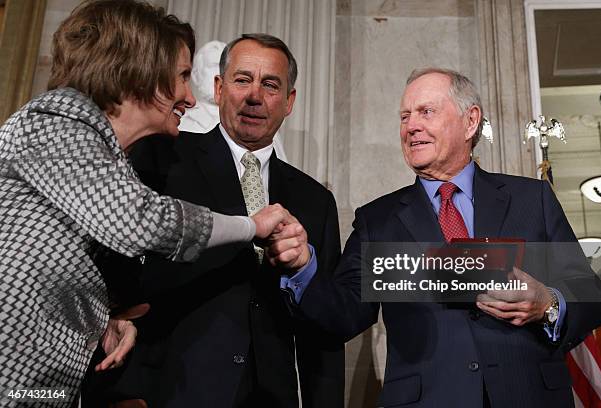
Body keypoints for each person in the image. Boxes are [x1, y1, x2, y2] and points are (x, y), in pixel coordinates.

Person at [0, 1, 288, 405]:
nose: (190, 97)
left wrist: (108, 318)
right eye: (183, 76)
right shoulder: (54, 122)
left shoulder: (106, 156)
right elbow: (144, 222)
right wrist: (251, 227)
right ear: (142, 74)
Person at [283, 68, 601, 407]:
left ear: (470, 122)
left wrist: (547, 304)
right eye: (404, 116)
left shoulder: (532, 200)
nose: (411, 126)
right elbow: (343, 315)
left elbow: (592, 297)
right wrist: (303, 268)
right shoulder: (378, 220)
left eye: (427, 112)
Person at [99, 34, 344, 407]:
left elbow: (323, 336)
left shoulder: (316, 201)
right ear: (219, 87)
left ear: (289, 101)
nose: (254, 96)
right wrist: (118, 392)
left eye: (270, 84)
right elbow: (109, 281)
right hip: (166, 393)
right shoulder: (163, 158)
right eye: (242, 79)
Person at [179, 40, 289, 161]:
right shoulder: (181, 119)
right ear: (195, 74)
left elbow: (280, 168)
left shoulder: (264, 126)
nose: (219, 71)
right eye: (213, 66)